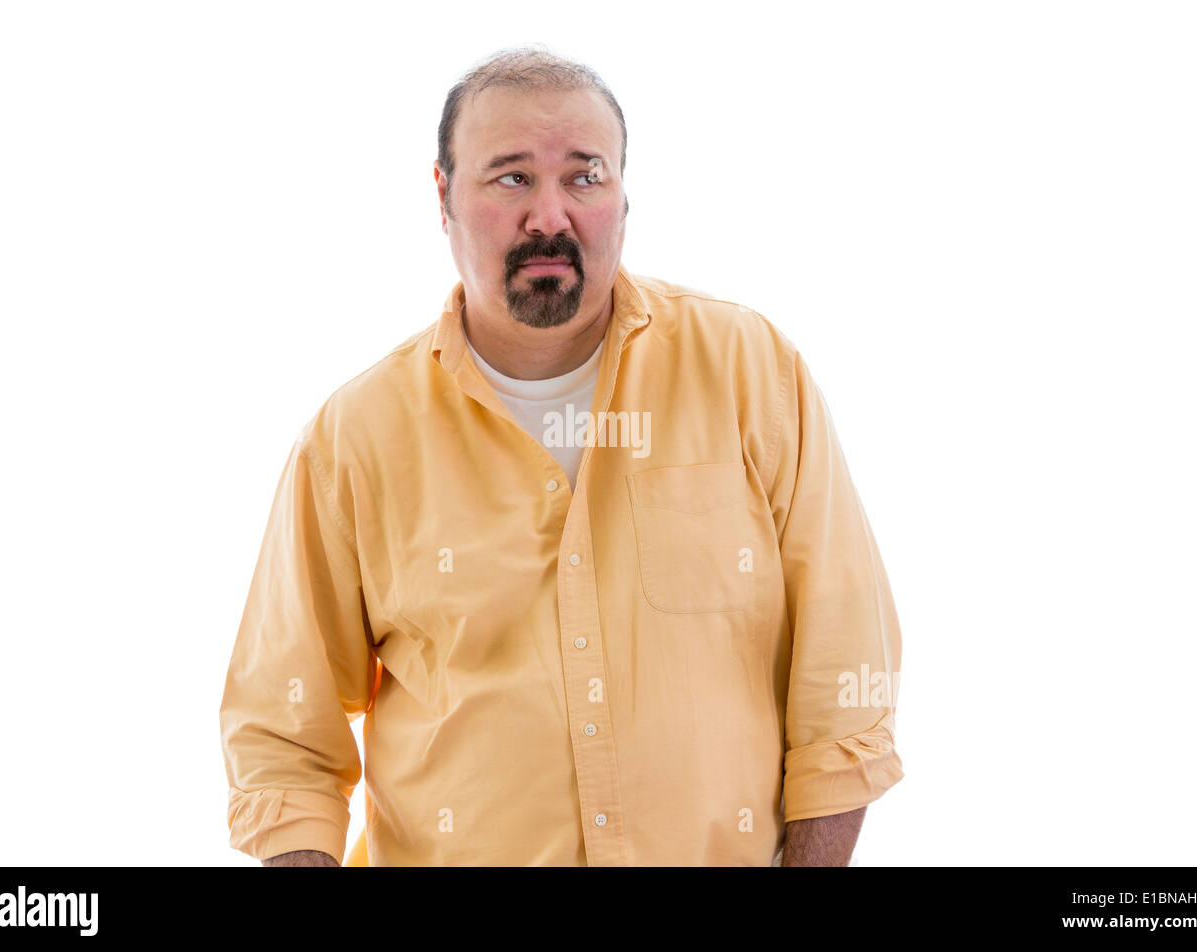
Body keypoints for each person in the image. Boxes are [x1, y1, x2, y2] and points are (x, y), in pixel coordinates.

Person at [219, 45, 904, 867]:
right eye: (511, 178)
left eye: (585, 177)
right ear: (442, 196)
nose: (551, 215)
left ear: (623, 195)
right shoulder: (353, 439)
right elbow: (283, 740)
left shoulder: (751, 372)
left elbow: (845, 669)